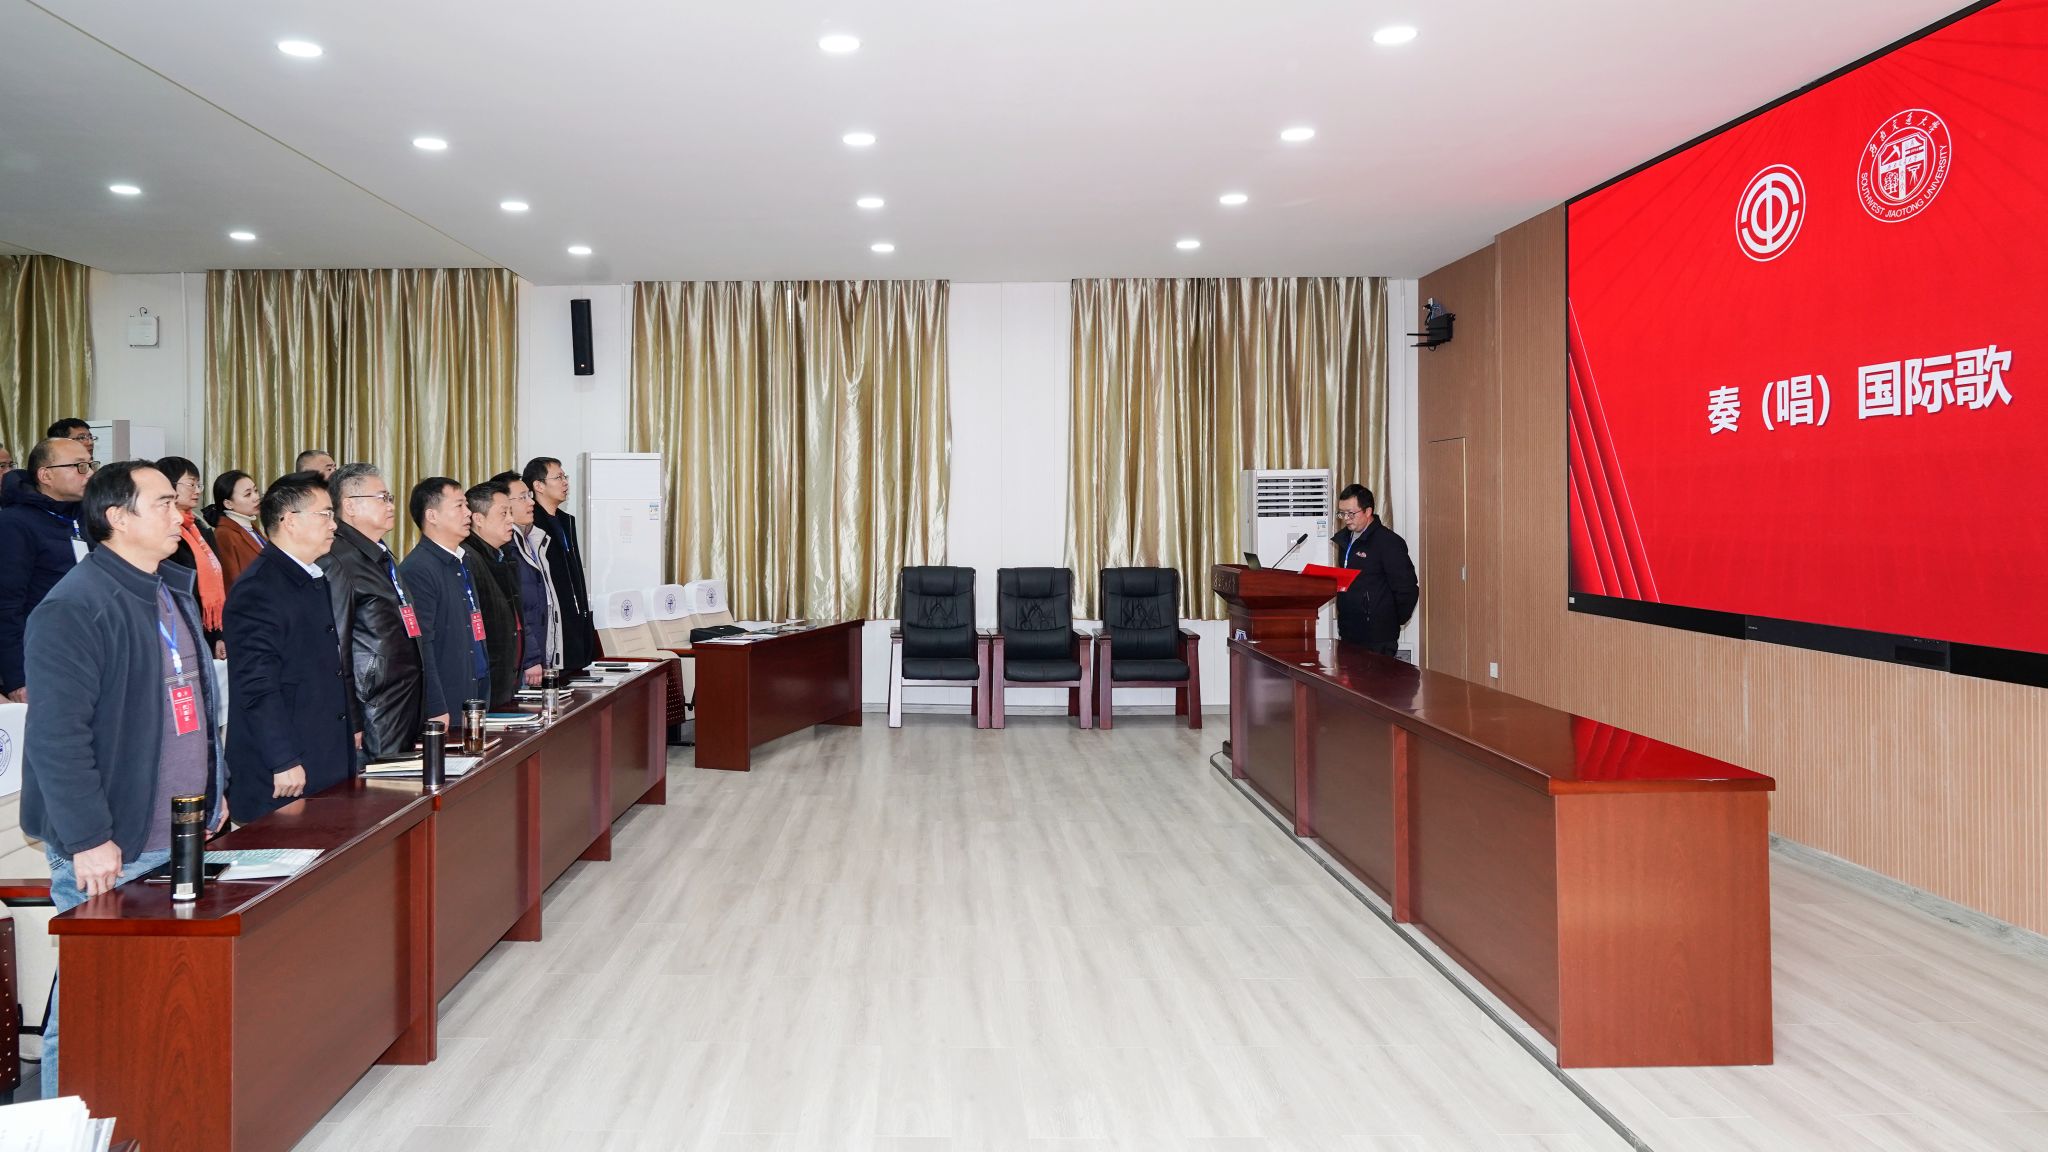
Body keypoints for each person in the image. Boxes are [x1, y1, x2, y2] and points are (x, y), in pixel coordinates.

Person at [20, 460, 227, 1096]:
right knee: (93, 1001)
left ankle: (146, 1115)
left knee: (159, 993)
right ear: (117, 517)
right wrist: (88, 838)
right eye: (163, 503)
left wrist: (213, 793)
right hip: (112, 840)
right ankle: (64, 1126)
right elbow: (57, 737)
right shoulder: (75, 605)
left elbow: (195, 705)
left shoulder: (167, 587)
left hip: (178, 831)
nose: (180, 515)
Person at [225, 472, 356, 824]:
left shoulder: (311, 576)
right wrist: (282, 758)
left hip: (322, 750)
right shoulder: (259, 588)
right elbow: (256, 683)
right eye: (324, 514)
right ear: (290, 521)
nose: (334, 524)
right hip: (285, 766)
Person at [321, 463, 446, 760]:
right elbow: (335, 645)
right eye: (382, 498)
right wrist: (351, 718)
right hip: (372, 709)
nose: (391, 506)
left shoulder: (379, 554)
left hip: (400, 702)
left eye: (390, 498)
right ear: (350, 506)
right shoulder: (338, 560)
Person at [0, 437, 93, 702]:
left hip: (88, 651)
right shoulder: (14, 523)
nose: (89, 473)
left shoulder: (86, 516)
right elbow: (7, 605)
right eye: (79, 466)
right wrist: (18, 677)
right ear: (46, 475)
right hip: (44, 658)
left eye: (90, 464)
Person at [398, 477, 490, 723]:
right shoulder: (418, 569)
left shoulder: (462, 560)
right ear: (432, 516)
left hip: (473, 693)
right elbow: (422, 647)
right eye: (459, 506)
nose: (468, 512)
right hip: (447, 704)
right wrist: (435, 707)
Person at [523, 456, 596, 675]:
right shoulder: (532, 526)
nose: (565, 483)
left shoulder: (565, 520)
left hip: (575, 620)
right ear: (539, 486)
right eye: (558, 477)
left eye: (565, 477)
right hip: (552, 627)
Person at [1330, 483, 1419, 658]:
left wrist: (1390, 620)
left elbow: (1407, 589)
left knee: (1377, 677)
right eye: (1342, 513)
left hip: (1378, 636)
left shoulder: (1388, 542)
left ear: (1368, 511)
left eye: (1351, 513)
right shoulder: (1345, 540)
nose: (1346, 518)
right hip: (1349, 631)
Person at [155, 456, 228, 657]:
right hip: (179, 625)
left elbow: (217, 579)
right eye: (191, 484)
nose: (197, 490)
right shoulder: (163, 532)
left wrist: (219, 635)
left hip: (208, 627)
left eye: (198, 485)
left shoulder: (201, 529)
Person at [462, 480, 524, 708]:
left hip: (507, 681)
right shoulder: (468, 560)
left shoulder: (502, 555)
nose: (511, 520)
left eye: (511, 513)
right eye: (503, 513)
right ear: (478, 519)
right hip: (486, 687)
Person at [494, 471, 559, 685]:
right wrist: (531, 657)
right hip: (523, 659)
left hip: (540, 651)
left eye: (529, 495)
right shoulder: (506, 547)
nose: (531, 502)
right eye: (522, 497)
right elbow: (517, 608)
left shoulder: (533, 539)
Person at [204, 469, 266, 587]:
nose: (256, 497)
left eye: (256, 491)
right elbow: (231, 583)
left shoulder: (250, 527)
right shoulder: (224, 534)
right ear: (228, 504)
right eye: (247, 494)